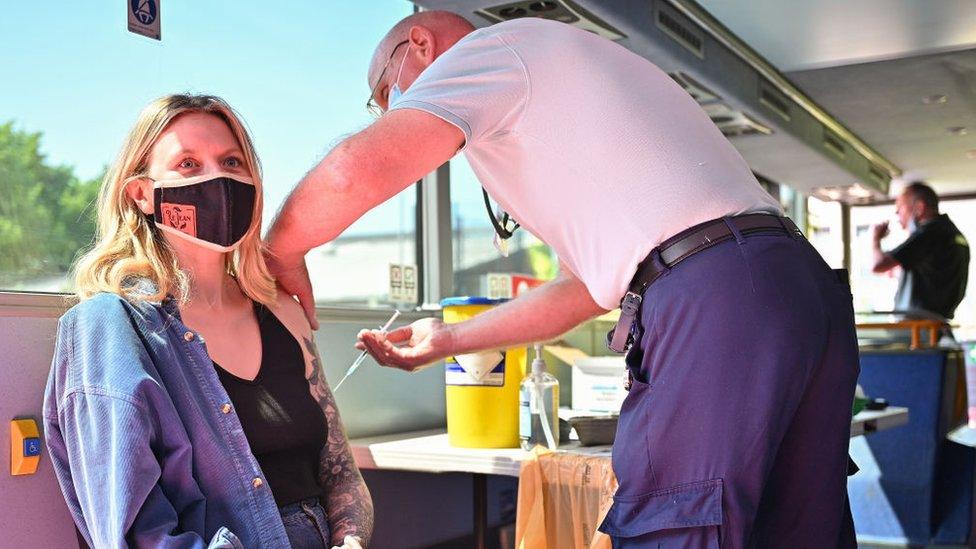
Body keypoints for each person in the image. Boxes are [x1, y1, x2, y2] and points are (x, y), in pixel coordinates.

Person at [267, 11, 859, 547]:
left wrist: (279, 254)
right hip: (795, 287)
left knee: (676, 525)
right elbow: (583, 290)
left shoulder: (494, 52)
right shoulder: (561, 83)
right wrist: (447, 341)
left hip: (716, 299)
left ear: (419, 44)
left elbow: (353, 170)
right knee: (795, 529)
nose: (387, 110)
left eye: (382, 93)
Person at [42, 94, 372, 549]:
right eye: (188, 164)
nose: (217, 178)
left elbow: (340, 472)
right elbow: (135, 531)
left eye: (232, 162)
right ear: (141, 194)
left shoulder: (283, 312)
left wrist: (350, 540)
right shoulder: (108, 328)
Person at [872, 181, 970, 320]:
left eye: (900, 207)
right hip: (937, 322)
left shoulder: (929, 233)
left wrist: (875, 239)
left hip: (918, 325)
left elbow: (878, 265)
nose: (897, 212)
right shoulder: (951, 233)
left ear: (919, 207)